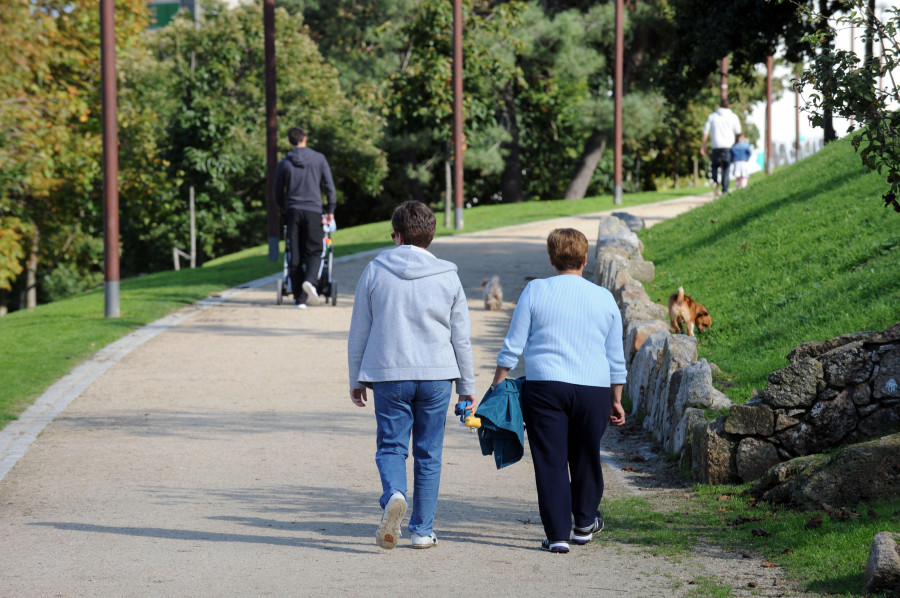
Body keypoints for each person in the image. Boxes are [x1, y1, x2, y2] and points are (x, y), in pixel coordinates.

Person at [486, 228, 626, 554]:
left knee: (550, 460)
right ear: (585, 258)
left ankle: (558, 534)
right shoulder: (603, 297)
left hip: (545, 388)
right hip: (593, 391)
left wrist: (498, 380)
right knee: (586, 455)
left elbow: (513, 344)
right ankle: (585, 523)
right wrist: (615, 398)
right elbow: (615, 357)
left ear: (551, 259)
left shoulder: (535, 290)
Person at [347, 200, 476, 550]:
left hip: (390, 373)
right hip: (437, 375)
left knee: (391, 446)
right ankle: (422, 531)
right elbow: (460, 336)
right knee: (429, 453)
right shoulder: (448, 275)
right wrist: (467, 386)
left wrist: (356, 378)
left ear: (397, 236)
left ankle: (394, 494)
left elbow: (360, 328)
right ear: (430, 238)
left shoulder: (375, 270)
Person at [274, 126, 336, 309]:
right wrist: (330, 209)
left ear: (290, 141)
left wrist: (283, 208)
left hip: (293, 210)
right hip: (314, 210)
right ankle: (310, 281)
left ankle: (300, 299)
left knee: (294, 252)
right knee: (315, 250)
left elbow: (277, 191)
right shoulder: (319, 159)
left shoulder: (284, 163)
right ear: (305, 139)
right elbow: (329, 186)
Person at [700, 98, 742, 197]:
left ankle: (715, 181)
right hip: (728, 146)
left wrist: (703, 145)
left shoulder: (712, 116)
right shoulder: (733, 117)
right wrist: (736, 144)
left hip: (716, 146)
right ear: (729, 105)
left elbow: (705, 132)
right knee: (726, 168)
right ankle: (724, 190)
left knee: (714, 166)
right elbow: (739, 133)